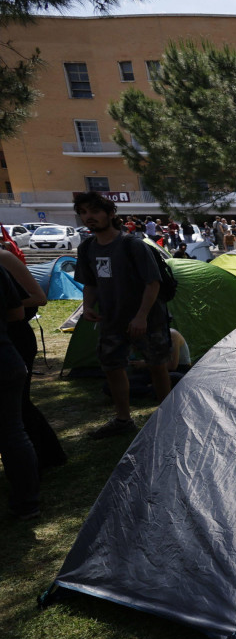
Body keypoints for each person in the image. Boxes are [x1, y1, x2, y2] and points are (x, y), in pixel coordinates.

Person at [72, 191, 172, 439]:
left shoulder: (132, 245)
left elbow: (153, 283)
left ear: (110, 214)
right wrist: (87, 307)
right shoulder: (87, 249)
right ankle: (123, 419)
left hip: (147, 319)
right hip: (112, 319)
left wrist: (141, 317)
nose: (89, 217)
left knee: (157, 366)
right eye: (84, 213)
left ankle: (168, 417)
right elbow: (90, 283)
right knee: (112, 367)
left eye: (94, 211)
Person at [0, 247, 65, 475]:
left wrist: (8, 303)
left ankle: (43, 458)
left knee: (19, 403)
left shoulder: (4, 258)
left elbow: (39, 298)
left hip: (15, 337)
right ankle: (46, 456)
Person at [0, 263, 40, 520]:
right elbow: (16, 313)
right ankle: (27, 504)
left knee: (13, 433)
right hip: (6, 358)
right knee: (13, 432)